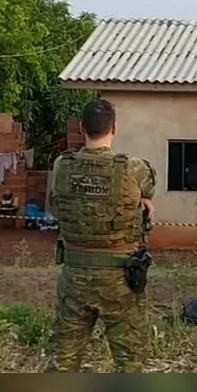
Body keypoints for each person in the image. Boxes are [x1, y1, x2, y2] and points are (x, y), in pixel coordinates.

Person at [45, 98, 157, 373]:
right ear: (114, 128)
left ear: (82, 127)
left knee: (63, 360)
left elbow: (55, 204)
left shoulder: (61, 165)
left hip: (74, 275)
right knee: (129, 363)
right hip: (120, 279)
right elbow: (148, 189)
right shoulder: (134, 169)